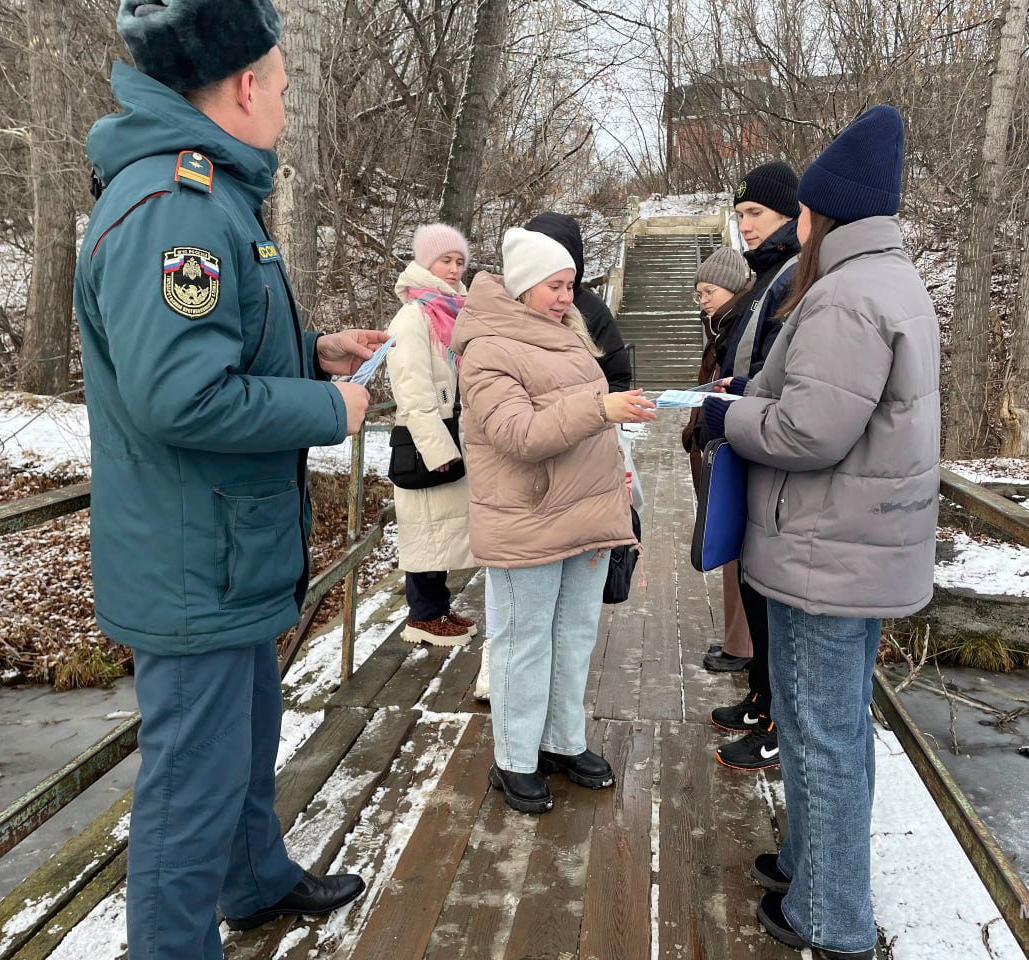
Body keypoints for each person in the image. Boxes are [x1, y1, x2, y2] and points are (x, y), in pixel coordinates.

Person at [74, 2, 380, 955]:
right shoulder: (178, 208)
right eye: (282, 87)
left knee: (243, 741)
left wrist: (312, 351)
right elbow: (182, 397)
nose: (285, 105)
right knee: (188, 787)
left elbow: (214, 349)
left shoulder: (206, 194)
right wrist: (327, 410)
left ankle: (254, 882)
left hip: (222, 551)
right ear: (246, 87)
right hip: (192, 559)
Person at [702, 105, 939, 960]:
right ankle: (813, 867)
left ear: (822, 211)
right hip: (857, 546)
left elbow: (810, 433)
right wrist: (753, 399)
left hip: (823, 551)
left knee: (821, 730)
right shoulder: (890, 282)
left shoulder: (844, 296)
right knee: (829, 725)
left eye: (801, 208)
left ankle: (833, 915)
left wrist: (727, 417)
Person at [451, 227, 657, 814]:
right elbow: (519, 434)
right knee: (523, 642)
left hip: (585, 513)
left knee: (573, 637)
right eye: (554, 287)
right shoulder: (488, 349)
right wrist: (601, 407)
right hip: (527, 519)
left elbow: (587, 424)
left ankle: (562, 741)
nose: (566, 297)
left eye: (570, 285)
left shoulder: (568, 335)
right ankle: (515, 759)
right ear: (522, 287)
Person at [703, 161, 803, 771]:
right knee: (752, 582)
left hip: (768, 449)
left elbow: (786, 376)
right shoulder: (771, 273)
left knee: (767, 592)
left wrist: (737, 399)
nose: (744, 225)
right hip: (749, 443)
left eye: (755, 213)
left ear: (791, 213)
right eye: (739, 214)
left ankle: (775, 717)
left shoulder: (795, 275)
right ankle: (762, 697)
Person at [385, 224, 477, 645]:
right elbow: (411, 388)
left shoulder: (453, 310)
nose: (454, 269)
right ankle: (423, 615)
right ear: (425, 263)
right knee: (426, 527)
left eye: (459, 261)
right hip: (426, 437)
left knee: (441, 527)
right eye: (445, 261)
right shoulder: (414, 316)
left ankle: (437, 608)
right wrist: (438, 447)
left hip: (449, 430)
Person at [680, 247, 754, 673]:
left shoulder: (738, 326)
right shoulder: (722, 326)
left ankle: (741, 647)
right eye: (698, 293)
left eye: (709, 291)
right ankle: (737, 642)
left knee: (736, 549)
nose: (703, 299)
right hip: (719, 441)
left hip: (731, 442)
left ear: (732, 288)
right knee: (730, 549)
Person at [525, 212, 633, 390]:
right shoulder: (503, 307)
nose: (565, 299)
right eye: (554, 287)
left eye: (567, 287)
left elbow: (617, 377)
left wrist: (601, 404)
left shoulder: (592, 311)